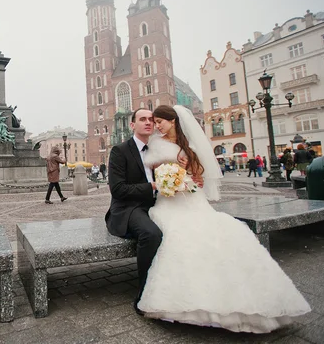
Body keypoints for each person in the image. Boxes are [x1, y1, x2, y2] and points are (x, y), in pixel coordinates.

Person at [135, 105, 310, 333]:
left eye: (161, 121)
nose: (157, 126)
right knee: (182, 236)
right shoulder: (156, 145)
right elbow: (158, 179)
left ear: (174, 121)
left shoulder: (190, 146)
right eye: (155, 121)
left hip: (193, 201)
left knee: (216, 233)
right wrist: (174, 182)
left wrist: (191, 178)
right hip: (168, 203)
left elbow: (198, 176)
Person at [106, 108, 193, 316]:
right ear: (132, 125)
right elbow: (118, 190)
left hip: (158, 204)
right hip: (130, 207)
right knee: (152, 234)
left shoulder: (158, 148)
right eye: (142, 119)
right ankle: (146, 293)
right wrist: (153, 186)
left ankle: (180, 286)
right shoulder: (120, 151)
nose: (148, 123)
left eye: (151, 120)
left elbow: (176, 175)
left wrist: (185, 173)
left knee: (186, 228)